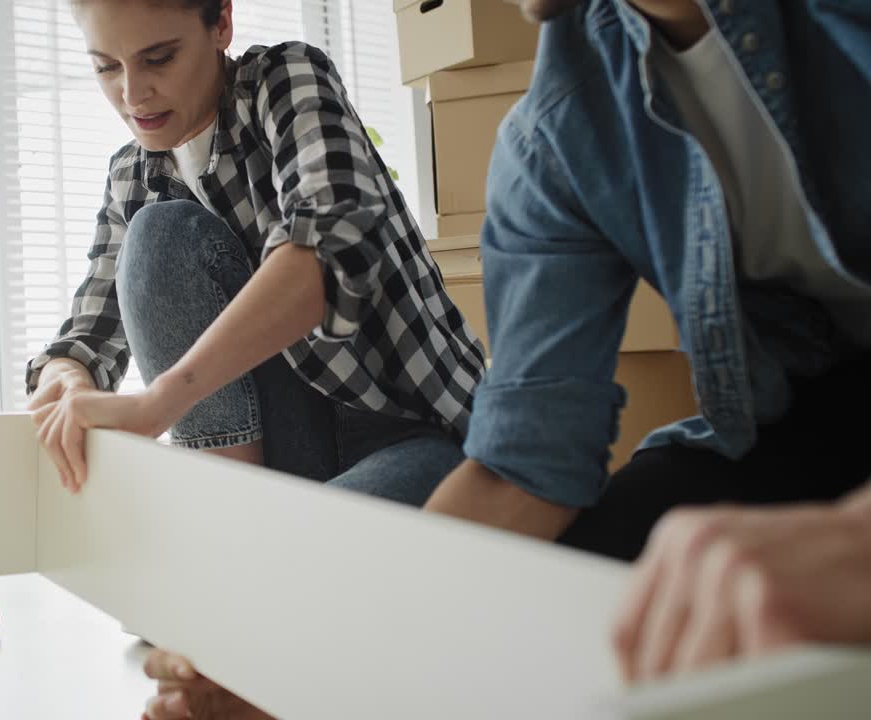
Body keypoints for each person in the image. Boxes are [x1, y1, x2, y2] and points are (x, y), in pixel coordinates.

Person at [140, 0, 871, 715]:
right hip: (786, 426)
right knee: (579, 596)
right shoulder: (558, 125)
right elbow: (523, 472)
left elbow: (319, 246)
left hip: (413, 438)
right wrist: (305, 663)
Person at [27, 0, 486, 510]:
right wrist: (66, 380)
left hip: (411, 434)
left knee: (301, 558)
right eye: (107, 67)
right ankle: (232, 510)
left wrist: (161, 402)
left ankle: (248, 532)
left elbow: (328, 249)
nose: (132, 94)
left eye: (159, 58)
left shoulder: (284, 80)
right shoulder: (131, 177)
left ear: (221, 23)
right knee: (158, 230)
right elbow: (88, 336)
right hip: (282, 449)